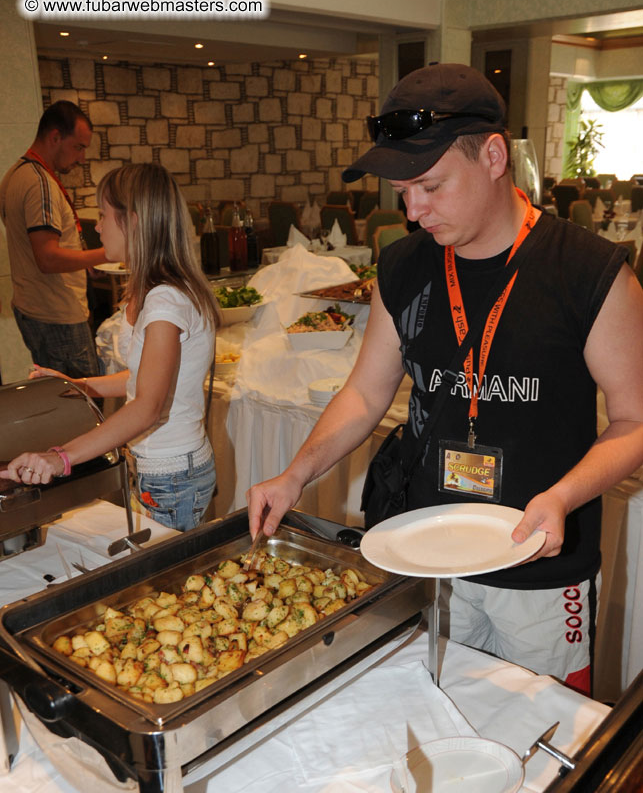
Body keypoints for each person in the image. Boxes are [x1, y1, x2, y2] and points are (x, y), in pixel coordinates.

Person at [247, 63, 643, 695]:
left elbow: (634, 421)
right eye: (403, 192)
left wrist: (563, 497)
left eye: (429, 186)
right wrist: (297, 472)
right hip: (429, 548)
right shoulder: (403, 267)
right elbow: (365, 391)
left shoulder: (591, 274)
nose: (413, 211)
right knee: (442, 710)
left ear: (492, 156)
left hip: (539, 563)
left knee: (547, 729)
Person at [1, 162, 219, 533]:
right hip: (166, 470)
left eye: (103, 215)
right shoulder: (162, 290)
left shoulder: (166, 301)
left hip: (172, 476)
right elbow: (141, 379)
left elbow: (147, 407)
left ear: (133, 221)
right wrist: (76, 384)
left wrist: (60, 459)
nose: (97, 226)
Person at [0, 100, 106, 378]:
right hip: (57, 315)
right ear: (55, 136)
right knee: (82, 405)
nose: (82, 158)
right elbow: (46, 257)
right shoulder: (40, 183)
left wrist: (83, 262)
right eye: (79, 147)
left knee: (61, 399)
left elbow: (28, 243)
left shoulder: (14, 175)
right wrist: (107, 254)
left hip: (33, 308)